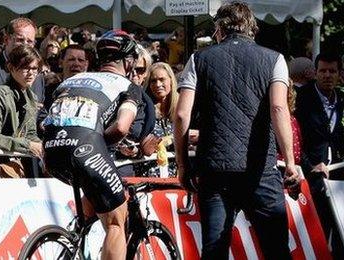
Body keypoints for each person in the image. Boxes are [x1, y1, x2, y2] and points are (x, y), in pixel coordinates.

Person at [174, 2, 299, 259]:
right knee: (276, 250)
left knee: (214, 250)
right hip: (260, 170)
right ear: (252, 29)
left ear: (219, 29)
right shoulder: (274, 59)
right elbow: (278, 108)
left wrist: (183, 164)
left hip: (215, 170)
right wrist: (289, 163)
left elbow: (181, 114)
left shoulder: (198, 59)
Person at [43, 30, 148, 259]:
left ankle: (72, 241)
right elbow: (121, 127)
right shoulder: (128, 86)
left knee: (94, 197)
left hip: (50, 152)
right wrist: (103, 146)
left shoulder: (71, 80)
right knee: (116, 222)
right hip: (85, 150)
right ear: (129, 62)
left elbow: (45, 124)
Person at [295, 52, 344, 257]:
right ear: (315, 73)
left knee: (341, 233)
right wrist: (310, 166)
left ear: (339, 74)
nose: (327, 75)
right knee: (318, 236)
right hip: (313, 179)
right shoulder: (302, 99)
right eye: (322, 71)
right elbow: (295, 139)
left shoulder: (342, 99)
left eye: (332, 71)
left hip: (339, 179)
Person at [0, 45, 43, 177]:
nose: (31, 73)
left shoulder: (32, 97)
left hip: (19, 164)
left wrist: (43, 146)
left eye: (34, 69)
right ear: (11, 68)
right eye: (25, 68)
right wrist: (28, 145)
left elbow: (31, 133)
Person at [132, 62, 178, 177]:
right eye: (153, 81)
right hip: (148, 175)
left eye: (162, 79)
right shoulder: (143, 110)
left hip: (177, 176)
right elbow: (145, 146)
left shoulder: (181, 108)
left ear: (171, 81)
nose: (158, 84)